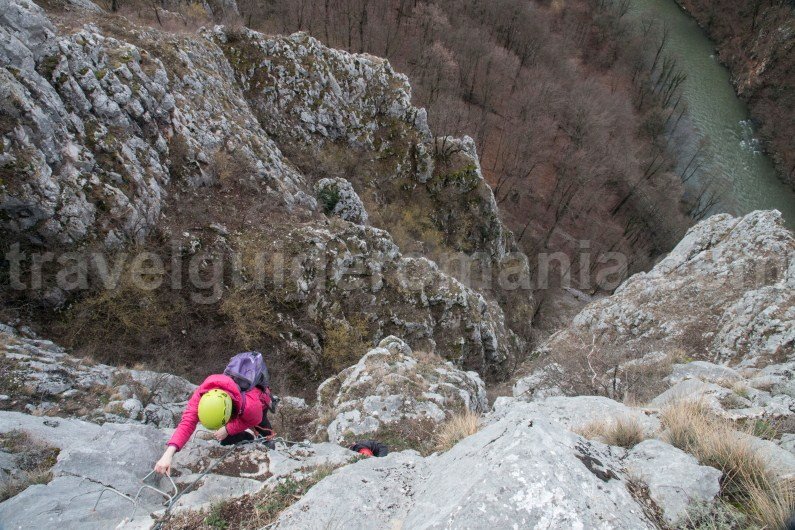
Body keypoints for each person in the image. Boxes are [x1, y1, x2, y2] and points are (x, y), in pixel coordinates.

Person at [154, 372, 272, 475]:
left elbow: (255, 420)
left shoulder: (251, 407)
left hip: (260, 399)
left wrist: (228, 429)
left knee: (262, 425)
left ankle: (269, 440)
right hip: (236, 400)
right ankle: (246, 436)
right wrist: (168, 454)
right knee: (227, 439)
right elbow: (187, 423)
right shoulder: (201, 394)